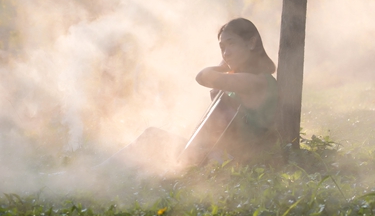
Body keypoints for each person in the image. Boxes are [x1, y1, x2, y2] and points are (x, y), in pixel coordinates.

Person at [101, 17, 279, 173]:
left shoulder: (257, 81)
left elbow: (203, 76)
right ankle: (105, 174)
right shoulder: (242, 81)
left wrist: (221, 67)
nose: (226, 53)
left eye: (231, 44)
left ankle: (103, 173)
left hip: (231, 164)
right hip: (216, 157)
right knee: (152, 140)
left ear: (251, 43)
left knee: (152, 139)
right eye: (222, 47)